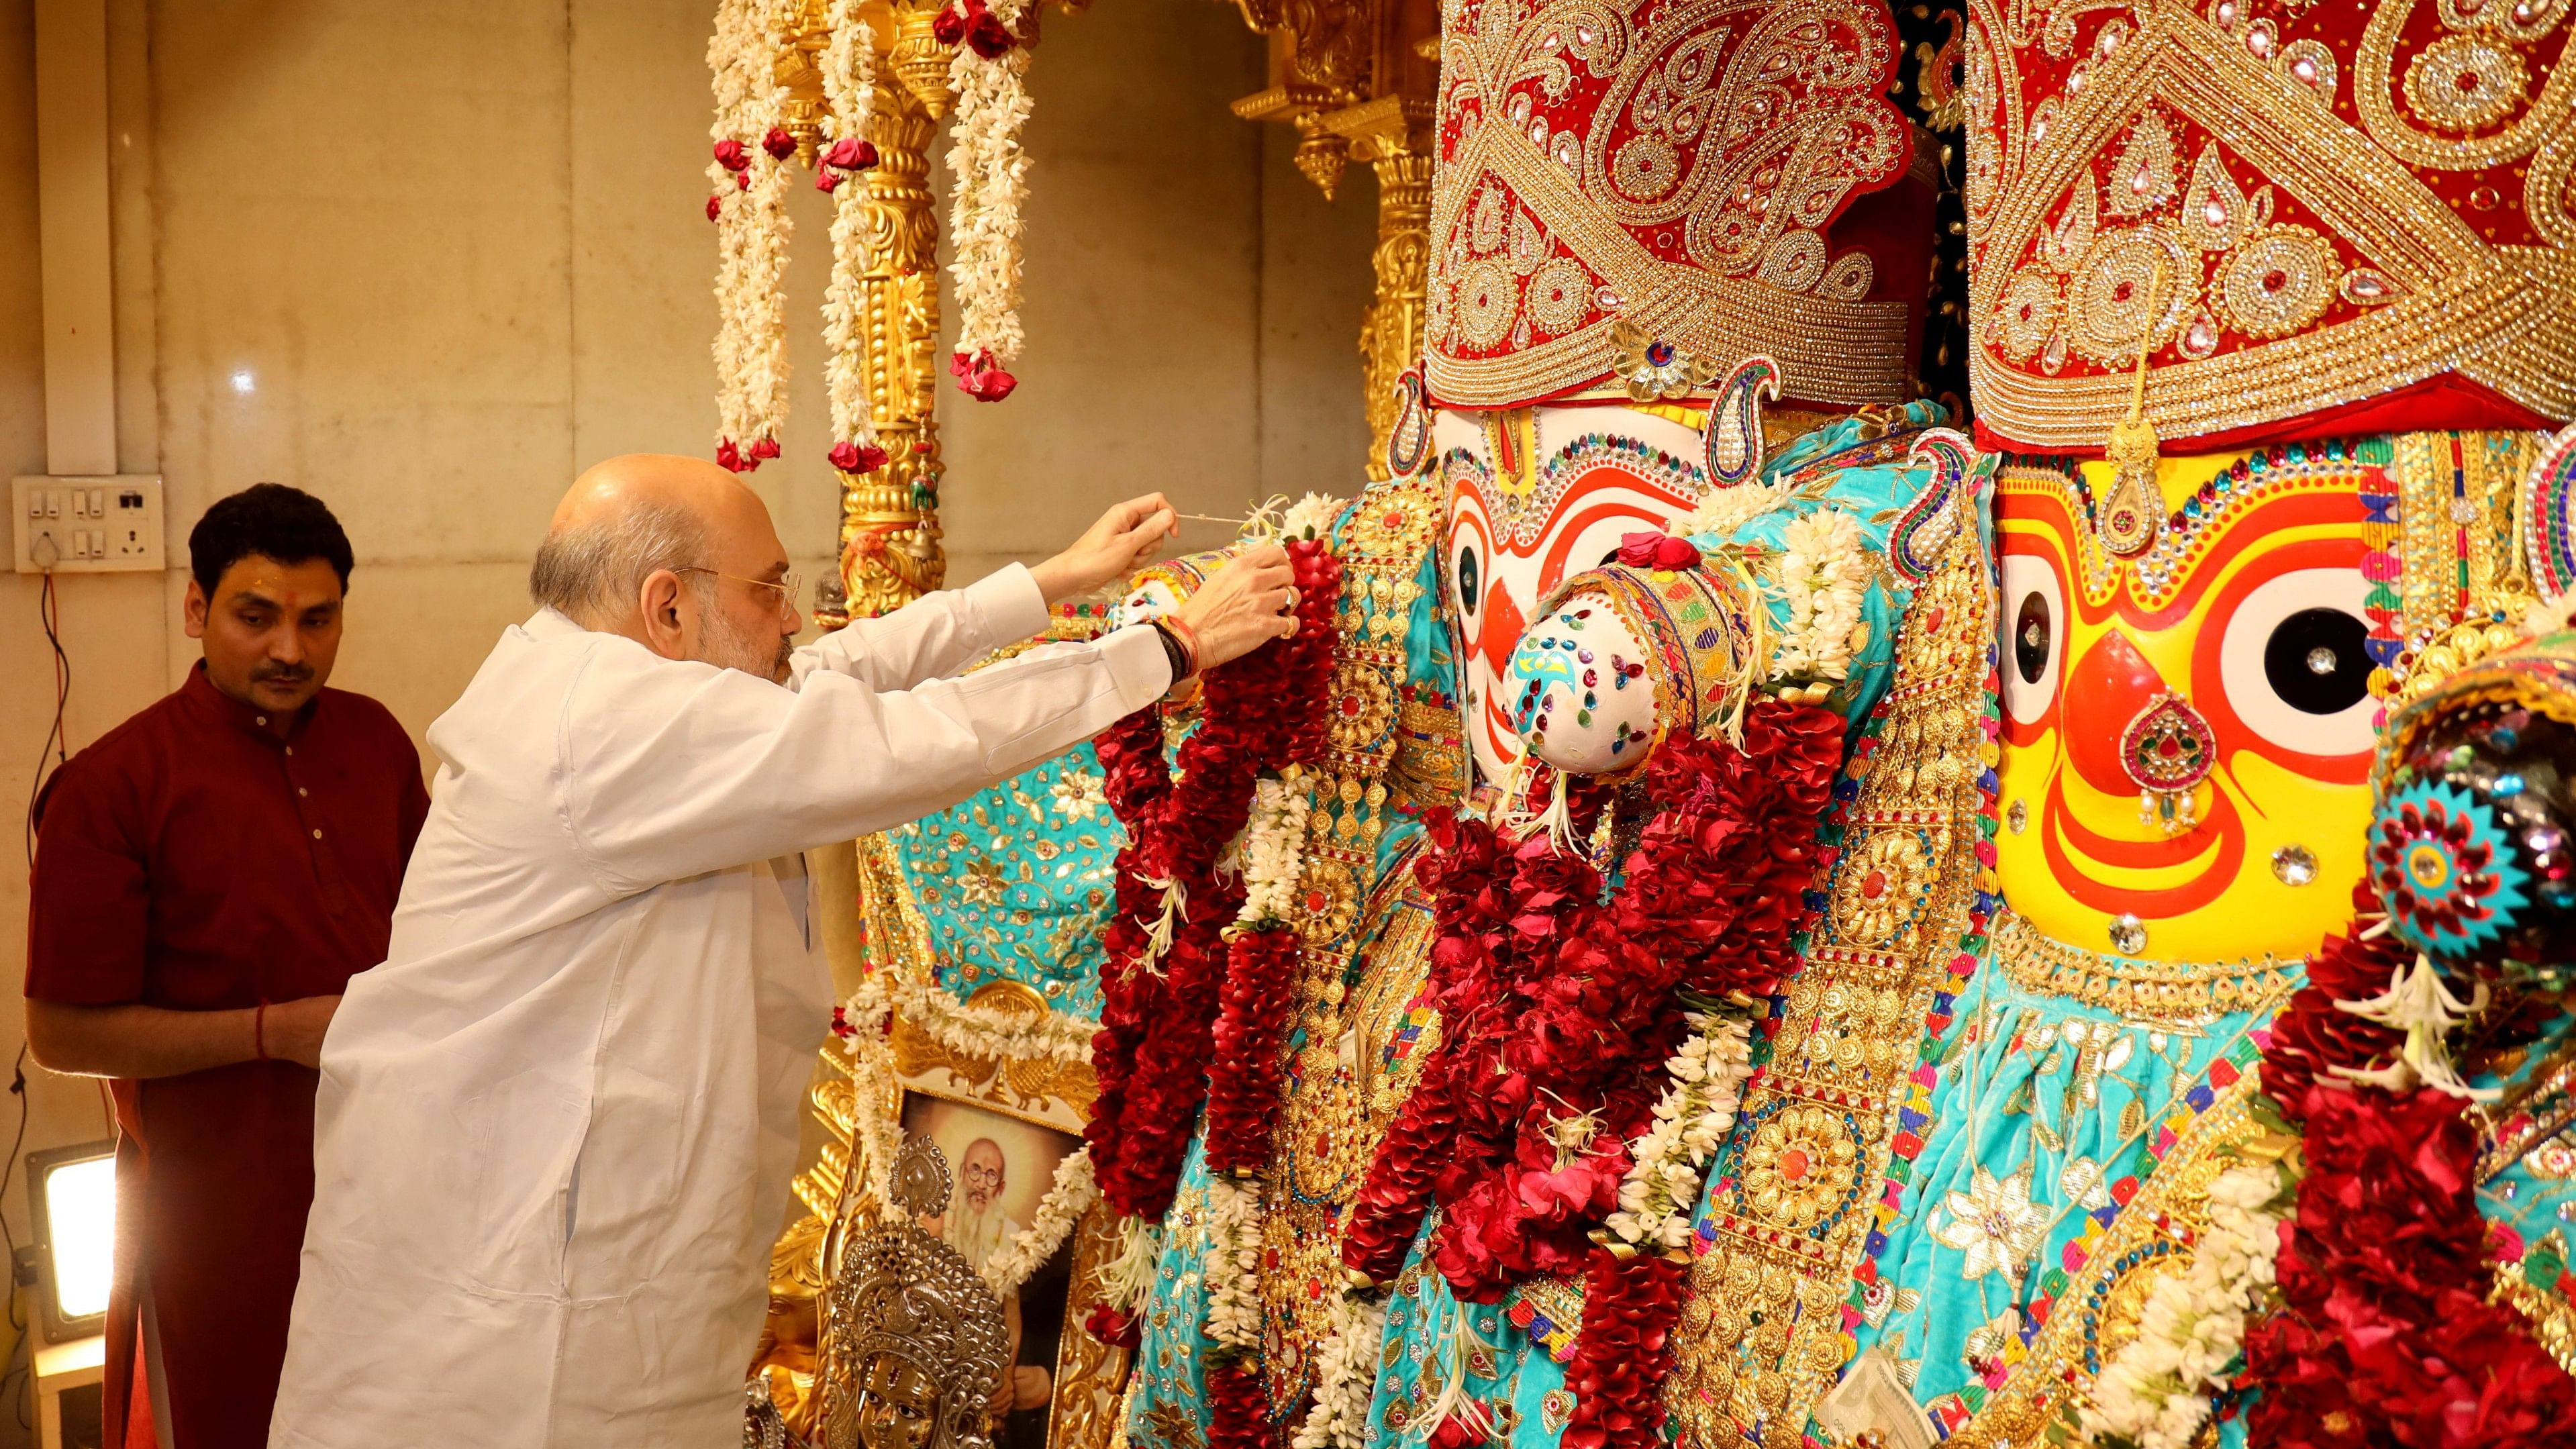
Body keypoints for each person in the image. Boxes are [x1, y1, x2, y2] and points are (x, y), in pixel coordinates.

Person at [267, 454, 1295, 1449]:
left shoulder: (592, 672)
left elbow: (830, 673)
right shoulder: (605, 725)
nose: (795, 617)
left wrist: (1048, 584)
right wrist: (1162, 650)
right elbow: (887, 744)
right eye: (770, 588)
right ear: (667, 607)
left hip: (582, 1271)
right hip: (523, 1317)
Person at [25, 484, 431, 1449]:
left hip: (400, 1179)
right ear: (197, 609)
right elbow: (62, 1033)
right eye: (256, 615)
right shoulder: (112, 786)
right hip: (217, 1219)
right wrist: (276, 1029)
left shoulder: (375, 740)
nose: (290, 648)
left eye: (316, 619)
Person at [942, 1138, 1020, 1277]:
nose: (981, 1184)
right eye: (975, 1170)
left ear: (1001, 1188)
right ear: (961, 1172)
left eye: (992, 1176)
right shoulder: (939, 1217)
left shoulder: (1010, 1234)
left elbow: (1009, 1297)